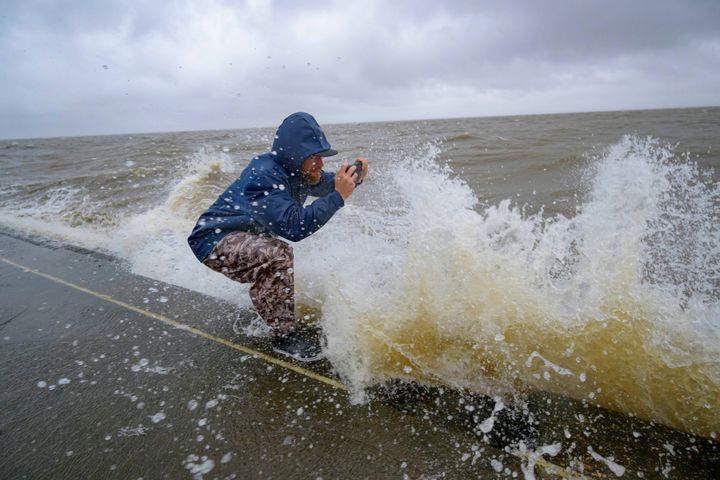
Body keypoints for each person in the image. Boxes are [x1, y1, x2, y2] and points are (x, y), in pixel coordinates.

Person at [187, 112, 368, 361]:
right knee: (278, 254)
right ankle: (283, 338)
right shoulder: (265, 175)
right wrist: (338, 197)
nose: (320, 163)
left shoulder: (299, 172)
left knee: (273, 255)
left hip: (239, 237)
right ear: (295, 154)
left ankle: (267, 303)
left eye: (321, 156)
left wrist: (353, 179)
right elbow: (295, 228)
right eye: (314, 157)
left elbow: (329, 184)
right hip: (212, 240)